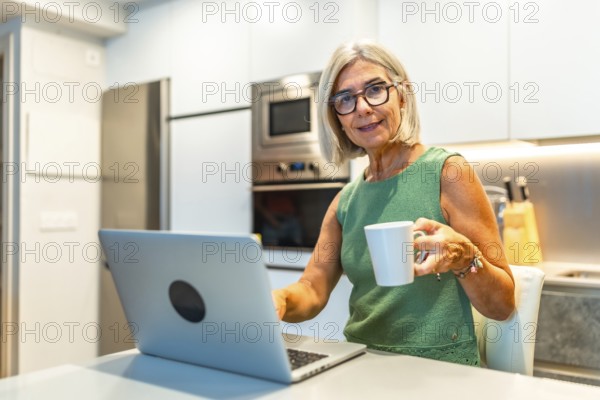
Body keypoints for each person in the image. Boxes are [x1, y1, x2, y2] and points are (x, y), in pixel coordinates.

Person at [271, 40, 515, 366]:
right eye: (345, 98)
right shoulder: (346, 201)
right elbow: (312, 290)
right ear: (336, 117)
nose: (362, 107)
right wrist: (280, 300)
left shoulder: (448, 172)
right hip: (360, 363)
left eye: (375, 89)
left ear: (402, 94)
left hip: (439, 370)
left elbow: (503, 306)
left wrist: (463, 257)